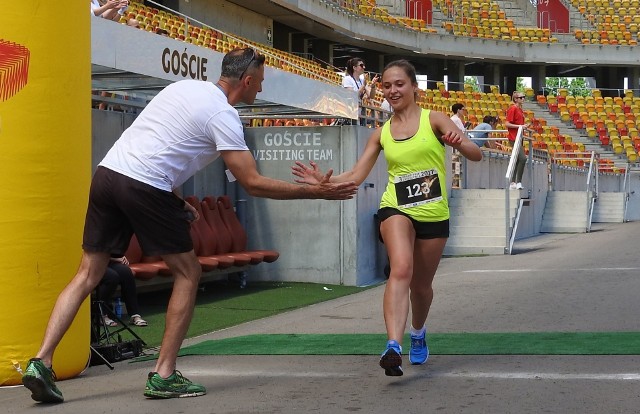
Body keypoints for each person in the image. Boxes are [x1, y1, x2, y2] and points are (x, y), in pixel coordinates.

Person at [21, 47, 358, 403]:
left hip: (108, 175)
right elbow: (252, 183)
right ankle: (163, 374)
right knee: (188, 272)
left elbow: (162, 145)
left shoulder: (182, 88)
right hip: (144, 184)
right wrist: (316, 193)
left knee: (87, 274)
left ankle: (41, 361)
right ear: (245, 81)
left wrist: (177, 201)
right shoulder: (223, 116)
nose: (260, 90)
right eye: (259, 83)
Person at [293, 59, 482, 377]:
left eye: (399, 84)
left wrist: (459, 143)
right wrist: (325, 182)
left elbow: (476, 154)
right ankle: (393, 345)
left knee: (421, 286)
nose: (392, 90)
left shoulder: (435, 120)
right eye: (387, 85)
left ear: (414, 87)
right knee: (401, 269)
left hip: (434, 212)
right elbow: (355, 174)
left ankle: (418, 334)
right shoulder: (380, 134)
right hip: (396, 207)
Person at [96, 256, 147, 327]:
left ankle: (134, 314)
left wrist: (120, 257)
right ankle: (102, 315)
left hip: (107, 261)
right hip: (93, 263)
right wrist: (115, 258)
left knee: (126, 272)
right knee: (112, 277)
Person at [505, 91, 529, 189]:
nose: (523, 99)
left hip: (519, 137)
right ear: (515, 99)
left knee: (518, 159)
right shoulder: (513, 108)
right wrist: (520, 126)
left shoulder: (520, 110)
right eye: (521, 97)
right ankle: (518, 181)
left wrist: (523, 127)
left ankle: (513, 182)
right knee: (522, 158)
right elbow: (507, 124)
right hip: (513, 137)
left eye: (524, 97)